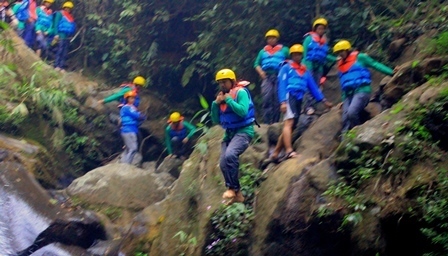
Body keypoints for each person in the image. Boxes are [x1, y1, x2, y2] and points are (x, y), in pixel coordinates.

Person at [269, 44, 332, 162]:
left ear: (302, 55)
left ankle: (276, 152)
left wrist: (323, 100)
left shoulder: (304, 70)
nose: (297, 56)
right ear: (291, 55)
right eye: (295, 54)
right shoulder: (286, 67)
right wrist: (282, 101)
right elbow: (282, 85)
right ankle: (289, 151)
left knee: (292, 125)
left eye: (299, 54)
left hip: (299, 98)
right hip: (289, 96)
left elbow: (313, 86)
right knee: (289, 123)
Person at [211, 69, 255, 205]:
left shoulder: (240, 93)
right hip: (230, 133)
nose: (222, 85)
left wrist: (229, 100)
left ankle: (233, 189)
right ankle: (237, 193)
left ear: (232, 81)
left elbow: (242, 111)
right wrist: (215, 104)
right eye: (220, 83)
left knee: (230, 155)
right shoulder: (222, 97)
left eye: (224, 82)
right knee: (223, 162)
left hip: (244, 131)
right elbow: (215, 120)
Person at [332, 40, 394, 134]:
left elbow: (375, 64)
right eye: (338, 52)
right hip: (349, 94)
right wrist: (343, 99)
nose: (340, 54)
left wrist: (391, 72)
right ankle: (346, 141)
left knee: (351, 113)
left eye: (342, 51)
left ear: (347, 50)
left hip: (362, 91)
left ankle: (358, 134)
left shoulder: (360, 57)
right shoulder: (340, 65)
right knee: (345, 118)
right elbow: (343, 83)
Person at [302, 17, 337, 115]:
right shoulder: (309, 38)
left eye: (322, 28)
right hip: (309, 64)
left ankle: (313, 106)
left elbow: (325, 55)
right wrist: (304, 66)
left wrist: (335, 59)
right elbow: (304, 53)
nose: (321, 30)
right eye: (319, 28)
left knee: (316, 86)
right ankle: (307, 106)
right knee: (309, 86)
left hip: (319, 66)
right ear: (315, 29)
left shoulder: (323, 41)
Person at [254, 29, 289, 124]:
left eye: (273, 38)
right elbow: (256, 64)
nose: (271, 40)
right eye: (269, 38)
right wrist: (261, 72)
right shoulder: (262, 52)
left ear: (277, 39)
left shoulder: (284, 50)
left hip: (279, 76)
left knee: (277, 99)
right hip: (267, 77)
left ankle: (276, 122)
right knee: (267, 98)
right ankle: (266, 122)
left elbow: (290, 61)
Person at [119, 91, 145, 164]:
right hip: (128, 129)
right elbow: (137, 116)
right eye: (131, 98)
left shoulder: (132, 108)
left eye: (133, 98)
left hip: (132, 129)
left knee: (128, 149)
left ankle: (124, 163)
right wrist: (141, 116)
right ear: (127, 99)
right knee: (133, 148)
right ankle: (126, 165)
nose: (132, 100)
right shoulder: (126, 108)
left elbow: (138, 118)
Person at [52, 1, 75, 72]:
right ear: (64, 7)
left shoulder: (70, 17)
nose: (68, 9)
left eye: (69, 8)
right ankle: (56, 65)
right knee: (60, 50)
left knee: (64, 52)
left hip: (67, 37)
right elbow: (56, 24)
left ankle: (61, 66)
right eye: (67, 8)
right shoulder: (59, 14)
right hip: (60, 35)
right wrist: (56, 34)